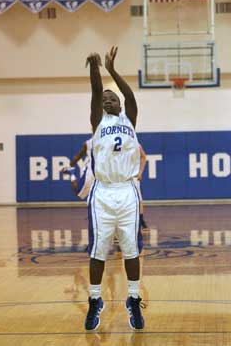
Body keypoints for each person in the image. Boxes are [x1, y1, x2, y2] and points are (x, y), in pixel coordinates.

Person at [84, 46, 145, 331]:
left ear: (119, 104)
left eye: (112, 98)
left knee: (131, 250)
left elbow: (130, 95)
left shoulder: (128, 119)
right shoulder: (98, 122)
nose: (107, 100)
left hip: (127, 191)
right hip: (103, 193)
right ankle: (95, 300)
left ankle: (133, 298)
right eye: (105, 99)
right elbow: (96, 94)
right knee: (98, 251)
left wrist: (111, 70)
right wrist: (96, 71)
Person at [134, 144, 149, 231]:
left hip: (132, 177)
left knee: (138, 199)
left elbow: (143, 157)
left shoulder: (135, 144)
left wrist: (140, 172)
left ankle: (141, 219)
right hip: (119, 178)